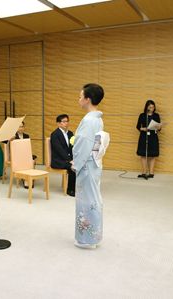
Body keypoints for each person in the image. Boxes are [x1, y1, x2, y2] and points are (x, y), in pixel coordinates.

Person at [72, 83, 109, 249]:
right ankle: (94, 236)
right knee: (93, 199)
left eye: (81, 96)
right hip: (93, 162)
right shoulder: (97, 119)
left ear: (88, 99)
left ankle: (87, 239)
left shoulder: (88, 120)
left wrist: (76, 162)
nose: (79, 99)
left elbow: (82, 144)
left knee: (86, 201)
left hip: (86, 165)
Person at [50, 114, 76, 196]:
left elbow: (73, 148)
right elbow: (59, 150)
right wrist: (70, 160)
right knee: (73, 168)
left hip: (68, 159)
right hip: (58, 160)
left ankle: (79, 187)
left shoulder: (70, 133)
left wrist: (75, 158)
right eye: (64, 121)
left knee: (81, 165)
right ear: (58, 123)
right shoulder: (54, 134)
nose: (66, 123)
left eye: (67, 121)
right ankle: (70, 190)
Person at [136, 100, 161, 179]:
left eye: (153, 107)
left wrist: (159, 128)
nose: (152, 108)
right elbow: (138, 126)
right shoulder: (142, 115)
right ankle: (144, 172)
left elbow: (158, 126)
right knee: (143, 154)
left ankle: (151, 172)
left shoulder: (156, 115)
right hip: (144, 136)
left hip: (153, 136)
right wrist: (143, 129)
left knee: (153, 155)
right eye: (150, 107)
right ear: (146, 107)